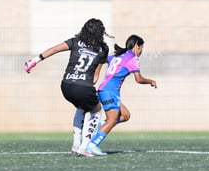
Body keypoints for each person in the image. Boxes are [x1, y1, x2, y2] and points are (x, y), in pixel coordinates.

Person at [24, 18, 110, 158]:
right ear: (101, 33)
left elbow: (55, 49)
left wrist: (34, 61)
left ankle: (76, 145)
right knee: (96, 111)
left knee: (81, 107)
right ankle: (84, 146)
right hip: (84, 87)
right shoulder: (103, 48)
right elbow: (95, 76)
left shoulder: (75, 41)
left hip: (66, 86)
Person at [87, 34, 157, 156]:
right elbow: (138, 79)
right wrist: (150, 81)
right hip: (109, 92)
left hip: (107, 91)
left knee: (125, 115)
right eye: (141, 48)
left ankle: (101, 125)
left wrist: (97, 73)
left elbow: (101, 59)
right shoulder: (133, 59)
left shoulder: (117, 55)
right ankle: (92, 145)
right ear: (136, 46)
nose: (141, 51)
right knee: (112, 120)